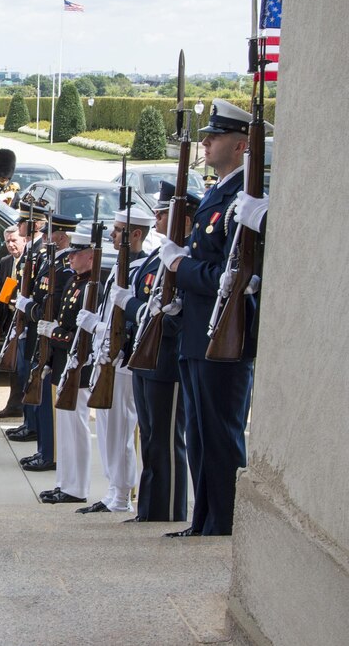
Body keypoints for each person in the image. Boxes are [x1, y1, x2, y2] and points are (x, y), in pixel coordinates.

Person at [160, 99, 259, 537]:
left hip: (223, 336)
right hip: (199, 332)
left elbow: (230, 276)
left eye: (213, 137)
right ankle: (203, 521)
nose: (204, 142)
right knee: (199, 435)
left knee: (220, 437)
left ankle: (223, 524)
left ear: (240, 147)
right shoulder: (219, 195)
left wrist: (181, 269)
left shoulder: (242, 200)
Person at [121, 181, 197, 522]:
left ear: (184, 219)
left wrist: (135, 307)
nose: (157, 217)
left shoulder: (186, 256)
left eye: (164, 213)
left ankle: (167, 511)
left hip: (166, 360)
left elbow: (179, 314)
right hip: (146, 358)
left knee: (166, 443)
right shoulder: (159, 253)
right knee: (150, 440)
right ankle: (149, 510)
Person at [72, 207, 152, 515]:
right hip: (106, 357)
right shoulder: (122, 267)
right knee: (107, 428)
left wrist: (99, 327)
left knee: (119, 428)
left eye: (118, 230)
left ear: (135, 234)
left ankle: (121, 494)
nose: (111, 235)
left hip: (122, 360)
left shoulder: (143, 269)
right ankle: (112, 490)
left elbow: (135, 321)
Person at [39, 222, 98, 505]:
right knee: (65, 428)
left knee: (77, 428)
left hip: (79, 366)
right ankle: (65, 482)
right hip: (63, 363)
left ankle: (78, 488)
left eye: (76, 253)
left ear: (91, 255)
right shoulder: (75, 281)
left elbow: (80, 334)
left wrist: (54, 333)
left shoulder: (92, 287)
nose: (70, 257)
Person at [15, 211, 77, 472]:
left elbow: (51, 307)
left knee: (47, 403)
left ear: (60, 237)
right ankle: (44, 450)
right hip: (39, 335)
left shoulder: (63, 270)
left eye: (50, 233)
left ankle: (49, 454)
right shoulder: (49, 261)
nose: (45, 237)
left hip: (48, 339)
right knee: (38, 396)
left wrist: (29, 307)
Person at [5, 200, 46, 442]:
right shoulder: (31, 249)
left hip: (31, 321)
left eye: (23, 221)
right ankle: (27, 422)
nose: (19, 225)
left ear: (36, 225)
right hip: (23, 319)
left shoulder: (40, 251)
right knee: (24, 370)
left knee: (30, 371)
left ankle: (31, 424)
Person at [0, 224, 28, 419]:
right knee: (12, 365)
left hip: (26, 321)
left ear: (24, 240)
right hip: (10, 320)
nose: (11, 245)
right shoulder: (6, 262)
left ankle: (21, 405)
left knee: (22, 366)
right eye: (7, 241)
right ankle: (14, 405)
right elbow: (2, 294)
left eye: (14, 240)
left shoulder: (31, 260)